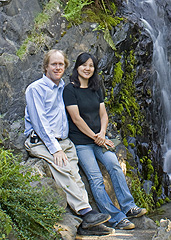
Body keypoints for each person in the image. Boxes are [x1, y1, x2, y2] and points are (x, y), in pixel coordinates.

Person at [24, 49, 115, 236]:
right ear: (46, 67)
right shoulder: (35, 89)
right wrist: (55, 149)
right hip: (42, 141)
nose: (58, 67)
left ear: (65, 67)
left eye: (61, 64)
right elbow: (40, 123)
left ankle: (87, 223)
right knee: (64, 169)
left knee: (75, 174)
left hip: (64, 141)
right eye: (54, 64)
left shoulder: (63, 86)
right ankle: (86, 212)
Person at [63, 52, 147, 230]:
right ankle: (117, 219)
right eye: (84, 65)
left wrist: (101, 133)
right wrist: (96, 137)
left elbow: (103, 114)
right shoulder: (70, 90)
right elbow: (76, 119)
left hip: (99, 138)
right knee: (95, 178)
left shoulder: (96, 88)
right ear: (77, 67)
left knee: (114, 166)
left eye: (91, 65)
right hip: (81, 142)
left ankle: (129, 206)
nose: (87, 68)